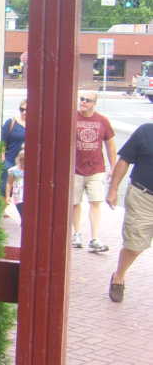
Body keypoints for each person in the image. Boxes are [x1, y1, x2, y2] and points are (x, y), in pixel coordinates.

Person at [105, 122, 153, 302]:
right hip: (143, 196)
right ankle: (119, 275)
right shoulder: (146, 131)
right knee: (134, 245)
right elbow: (124, 160)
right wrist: (113, 189)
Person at [72, 90, 117, 252]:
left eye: (87, 100)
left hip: (96, 169)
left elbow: (110, 145)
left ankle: (95, 237)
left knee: (96, 202)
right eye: (82, 99)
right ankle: (76, 233)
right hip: (75, 169)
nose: (83, 102)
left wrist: (113, 167)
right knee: (75, 203)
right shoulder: (72, 118)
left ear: (94, 103)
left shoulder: (102, 121)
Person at [0, 99, 27, 196]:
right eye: (22, 109)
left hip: (24, 166)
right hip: (9, 162)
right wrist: (3, 158)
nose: (24, 112)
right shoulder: (11, 122)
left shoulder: (35, 124)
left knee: (20, 194)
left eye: (27, 110)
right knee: (5, 192)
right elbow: (2, 141)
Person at [5, 146, 26, 218]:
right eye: (21, 159)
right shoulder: (13, 170)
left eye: (25, 159)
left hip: (28, 196)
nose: (23, 161)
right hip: (18, 197)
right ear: (18, 159)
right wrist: (7, 196)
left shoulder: (32, 169)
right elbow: (9, 183)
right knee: (22, 216)